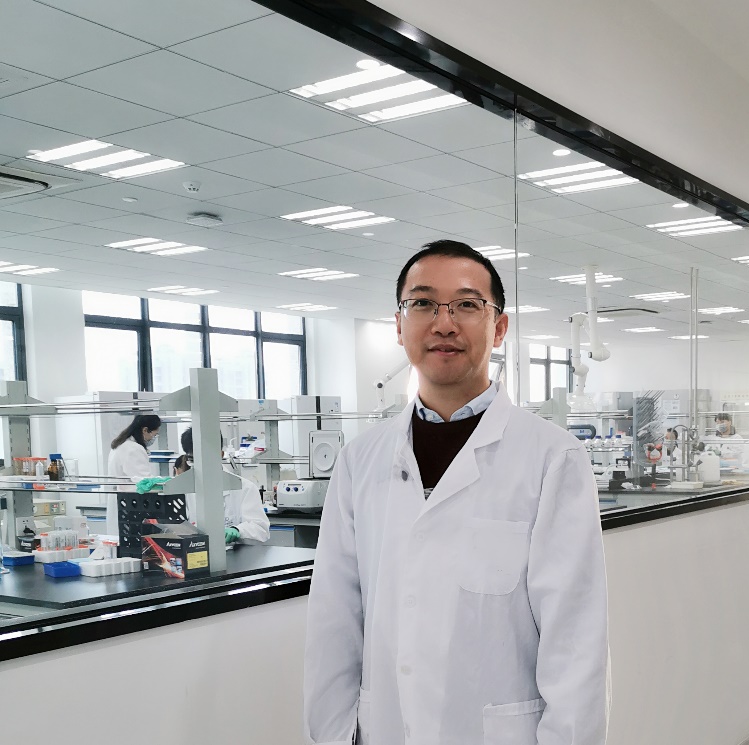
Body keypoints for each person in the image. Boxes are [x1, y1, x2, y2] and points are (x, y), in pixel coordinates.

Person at [304, 240, 610, 745]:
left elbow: (575, 640)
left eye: (466, 305)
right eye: (423, 303)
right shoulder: (360, 460)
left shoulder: (553, 458)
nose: (443, 323)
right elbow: (334, 621)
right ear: (399, 324)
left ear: (499, 327)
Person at [179, 428, 269, 545]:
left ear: (220, 455)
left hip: (236, 553)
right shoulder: (185, 489)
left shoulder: (245, 488)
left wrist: (237, 530)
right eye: (192, 459)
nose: (199, 465)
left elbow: (261, 529)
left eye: (204, 458)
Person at [105, 414, 161, 536]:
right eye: (154, 434)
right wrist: (162, 483)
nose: (153, 438)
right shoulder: (133, 449)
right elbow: (143, 482)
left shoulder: (121, 444)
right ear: (145, 430)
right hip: (130, 505)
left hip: (123, 503)